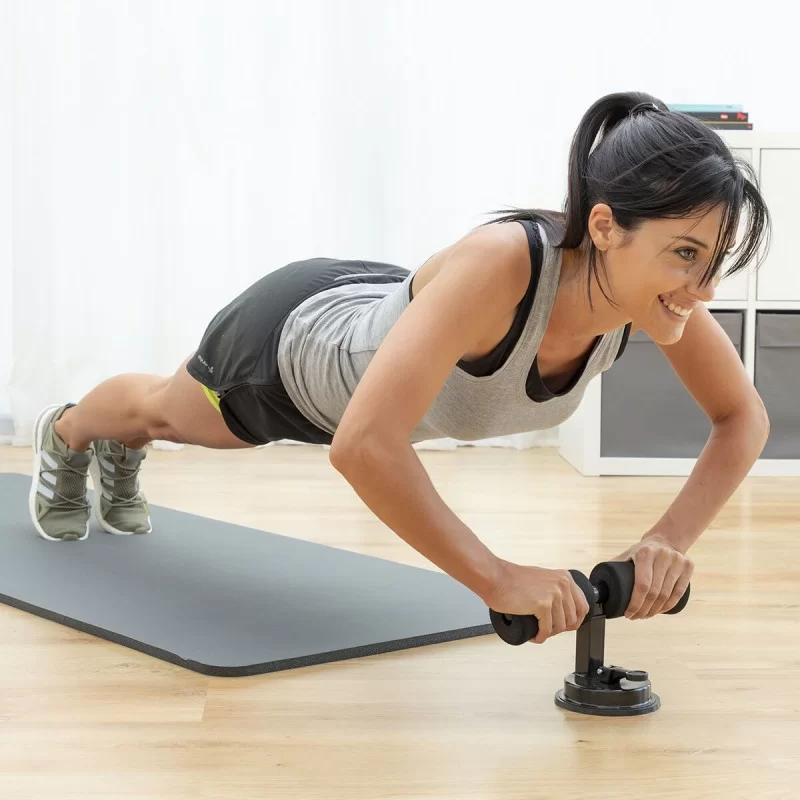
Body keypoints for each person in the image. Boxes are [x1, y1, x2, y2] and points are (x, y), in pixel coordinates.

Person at [28, 90, 771, 644]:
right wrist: (496, 577)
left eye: (714, 260)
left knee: (171, 416)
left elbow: (742, 419)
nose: (704, 289)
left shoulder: (653, 298)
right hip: (290, 355)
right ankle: (69, 433)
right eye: (685, 254)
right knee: (166, 412)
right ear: (605, 226)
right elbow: (362, 447)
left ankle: (117, 449)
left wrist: (666, 541)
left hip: (378, 310)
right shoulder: (505, 263)